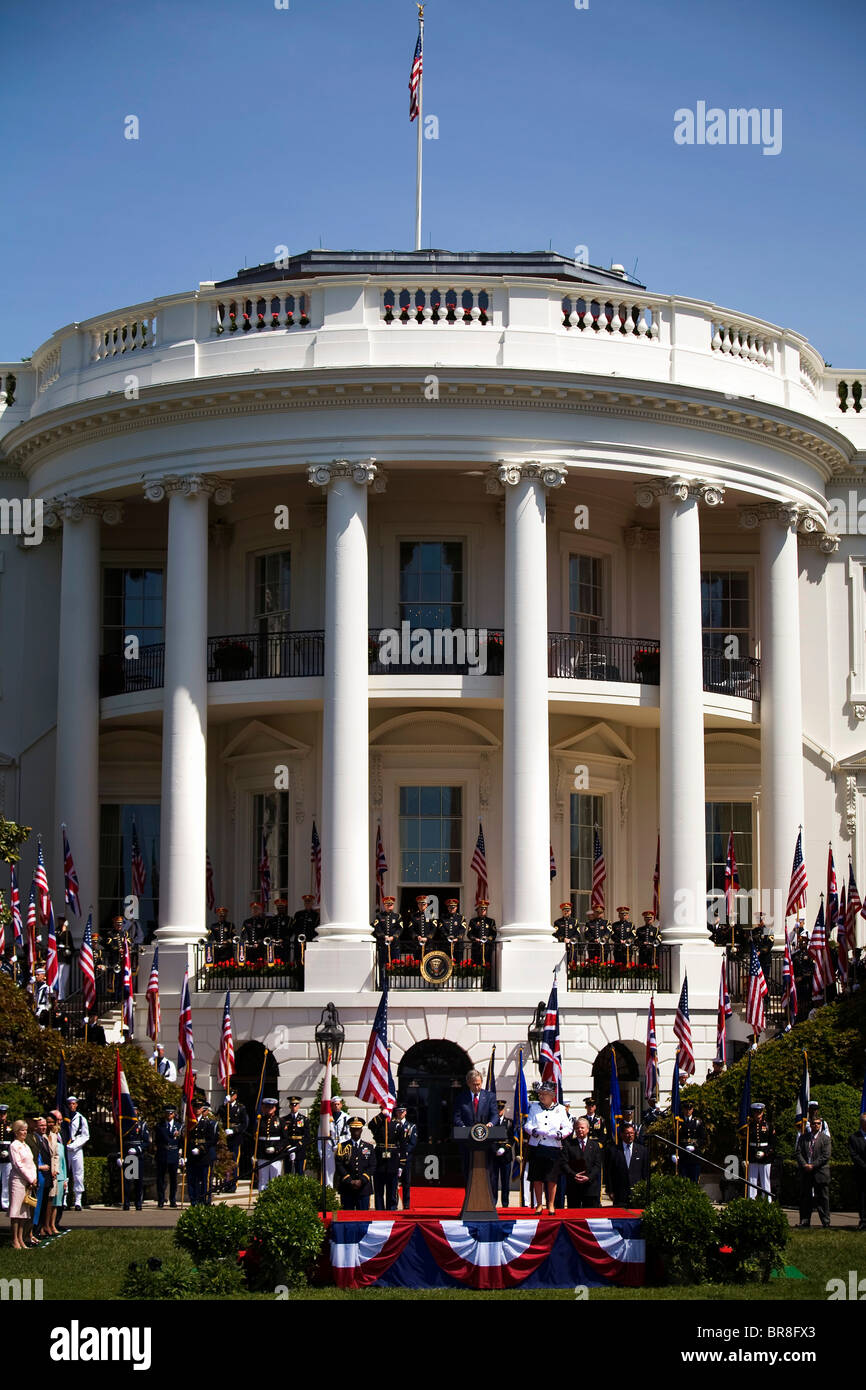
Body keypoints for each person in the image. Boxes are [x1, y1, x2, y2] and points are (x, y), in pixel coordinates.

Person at [524, 1081, 571, 1214]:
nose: (541, 1097)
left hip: (552, 1147)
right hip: (537, 1146)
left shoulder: (560, 1109)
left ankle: (551, 1204)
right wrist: (535, 1131)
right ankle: (539, 1204)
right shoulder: (534, 1107)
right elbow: (527, 1125)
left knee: (551, 1178)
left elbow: (568, 1127)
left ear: (552, 1096)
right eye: (540, 1094)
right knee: (537, 1178)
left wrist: (559, 1134)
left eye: (545, 1094)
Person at [796, 1111, 831, 1228]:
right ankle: (805, 1221)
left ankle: (825, 1222)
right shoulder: (803, 1138)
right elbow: (798, 1152)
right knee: (805, 1197)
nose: (816, 1125)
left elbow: (826, 1156)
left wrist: (813, 1165)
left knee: (822, 1198)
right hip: (806, 1172)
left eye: (818, 1124)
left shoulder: (825, 1139)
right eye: (814, 1123)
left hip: (820, 1172)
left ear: (820, 1125)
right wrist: (805, 1165)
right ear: (810, 1125)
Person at [334, 1118, 376, 1211]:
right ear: (350, 1130)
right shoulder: (342, 1146)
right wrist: (349, 1180)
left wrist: (362, 1180)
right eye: (353, 1129)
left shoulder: (369, 1147)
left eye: (358, 1129)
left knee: (363, 1218)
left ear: (361, 1130)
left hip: (363, 1188)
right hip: (347, 1187)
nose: (356, 1131)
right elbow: (339, 1164)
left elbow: (372, 1165)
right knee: (347, 1218)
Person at [561, 1116, 603, 1207]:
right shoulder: (569, 1145)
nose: (580, 1130)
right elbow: (564, 1163)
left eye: (582, 1128)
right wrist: (574, 1175)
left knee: (590, 1217)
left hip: (591, 1187)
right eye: (577, 1128)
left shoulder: (595, 1145)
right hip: (574, 1186)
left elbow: (597, 1165)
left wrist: (588, 1177)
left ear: (587, 1129)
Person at [8, 1120, 37, 1250]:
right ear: (16, 1132)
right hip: (18, 1181)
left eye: (25, 1130)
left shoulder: (25, 1145)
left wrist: (33, 1179)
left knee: (24, 1212)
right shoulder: (14, 1146)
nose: (24, 1132)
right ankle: (15, 1240)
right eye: (21, 1130)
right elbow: (18, 1165)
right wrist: (30, 1178)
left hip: (28, 1182)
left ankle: (21, 1238)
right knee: (16, 1211)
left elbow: (31, 1163)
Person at [607, 1122, 649, 1207]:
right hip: (620, 1192)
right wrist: (610, 1190)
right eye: (627, 1133)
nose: (630, 1135)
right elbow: (609, 1172)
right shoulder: (613, 1150)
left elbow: (645, 1172)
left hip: (637, 1192)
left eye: (632, 1133)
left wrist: (645, 1189)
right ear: (621, 1134)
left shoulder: (642, 1150)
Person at [186, 1100, 218, 1206]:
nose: (196, 1109)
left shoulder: (207, 1123)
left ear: (202, 1109)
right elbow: (186, 1140)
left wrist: (200, 1148)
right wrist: (183, 1155)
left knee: (204, 1180)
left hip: (203, 1155)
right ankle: (193, 1200)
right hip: (191, 1155)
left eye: (199, 1107)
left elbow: (212, 1140)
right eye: (195, 1107)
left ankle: (205, 1200)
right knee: (192, 1179)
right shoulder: (189, 1123)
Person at [368, 1104, 400, 1210]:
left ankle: (392, 1209)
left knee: (392, 1187)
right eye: (382, 1108)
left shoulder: (396, 1123)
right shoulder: (379, 1122)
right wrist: (382, 1115)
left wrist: (401, 1164)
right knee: (379, 1189)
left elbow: (402, 1144)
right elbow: (370, 1125)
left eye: (385, 1108)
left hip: (392, 1158)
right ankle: (379, 1210)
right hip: (379, 1158)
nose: (384, 1110)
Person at [121, 1106, 150, 1211]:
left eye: (135, 1110)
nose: (133, 1111)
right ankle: (127, 1203)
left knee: (138, 1182)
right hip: (128, 1155)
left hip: (137, 1155)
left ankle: (138, 1203)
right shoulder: (125, 1125)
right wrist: (120, 1155)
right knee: (128, 1181)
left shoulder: (141, 1125)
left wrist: (138, 1149)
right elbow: (121, 1141)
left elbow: (146, 1142)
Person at [746, 1102, 775, 1201]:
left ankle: (767, 1201)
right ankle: (751, 1200)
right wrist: (744, 1158)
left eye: (759, 1112)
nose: (758, 1114)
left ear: (762, 1112)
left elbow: (772, 1143)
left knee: (765, 1180)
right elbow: (745, 1143)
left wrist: (765, 1152)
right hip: (752, 1155)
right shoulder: (749, 1126)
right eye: (756, 1112)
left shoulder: (768, 1126)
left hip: (765, 1156)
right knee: (752, 1180)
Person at [223, 1086, 248, 1193]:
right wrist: (224, 1105)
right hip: (225, 1138)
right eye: (229, 1095)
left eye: (232, 1095)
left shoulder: (241, 1108)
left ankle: (233, 1184)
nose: (230, 1097)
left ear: (235, 1096)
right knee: (225, 1162)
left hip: (235, 1138)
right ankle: (225, 1183)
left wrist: (235, 1130)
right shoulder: (224, 1107)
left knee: (234, 1161)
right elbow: (219, 1118)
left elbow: (244, 1124)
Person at [155, 1105, 181, 1208]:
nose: (169, 1115)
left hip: (173, 1153)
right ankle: (161, 1199)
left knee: (173, 1179)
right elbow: (157, 1140)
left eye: (170, 1113)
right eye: (167, 1113)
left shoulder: (179, 1126)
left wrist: (182, 1154)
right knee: (160, 1178)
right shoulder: (160, 1126)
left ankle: (173, 1199)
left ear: (174, 1114)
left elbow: (181, 1141)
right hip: (162, 1153)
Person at [255, 1099, 284, 1191]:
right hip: (262, 1153)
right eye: (267, 1107)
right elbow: (255, 1138)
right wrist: (254, 1154)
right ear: (263, 1108)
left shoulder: (280, 1121)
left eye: (271, 1107)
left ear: (275, 1108)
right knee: (263, 1178)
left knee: (275, 1178)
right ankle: (262, 1199)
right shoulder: (259, 1121)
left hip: (276, 1154)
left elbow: (284, 1138)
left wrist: (277, 1148)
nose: (269, 1109)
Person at [66, 1096, 89, 1210]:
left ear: (77, 1105)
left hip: (76, 1149)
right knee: (64, 1174)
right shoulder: (63, 1118)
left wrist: (75, 1145)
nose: (72, 1106)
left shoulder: (81, 1119)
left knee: (78, 1174)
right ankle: (64, 1200)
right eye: (70, 1104)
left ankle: (78, 1201)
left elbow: (86, 1136)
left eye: (74, 1104)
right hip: (65, 1148)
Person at [31, 1115, 52, 1238]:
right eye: (41, 1126)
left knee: (44, 1203)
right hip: (39, 1175)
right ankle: (35, 1229)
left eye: (44, 1125)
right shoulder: (35, 1139)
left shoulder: (44, 1139)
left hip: (46, 1176)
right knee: (38, 1204)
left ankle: (40, 1228)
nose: (43, 1128)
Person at [393, 1104, 417, 1209]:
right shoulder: (393, 1125)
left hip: (406, 1158)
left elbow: (412, 1143)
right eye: (398, 1111)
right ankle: (393, 1204)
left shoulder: (411, 1126)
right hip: (394, 1157)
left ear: (405, 1112)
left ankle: (406, 1205)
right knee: (393, 1182)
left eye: (402, 1111)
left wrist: (404, 1152)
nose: (400, 1113)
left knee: (406, 1182)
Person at [324, 1095, 351, 1190]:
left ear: (341, 1105)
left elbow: (349, 1135)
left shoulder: (346, 1118)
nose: (336, 1106)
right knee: (329, 1171)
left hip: (342, 1147)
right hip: (329, 1147)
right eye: (334, 1104)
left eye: (338, 1104)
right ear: (331, 1106)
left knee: (343, 1169)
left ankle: (344, 1190)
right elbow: (322, 1134)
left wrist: (341, 1145)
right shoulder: (326, 1118)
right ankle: (329, 1191)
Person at [679, 1100, 706, 1185]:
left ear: (692, 1110)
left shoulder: (698, 1122)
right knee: (683, 1182)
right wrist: (674, 1153)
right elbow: (674, 1138)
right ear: (683, 1110)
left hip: (694, 1156)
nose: (688, 1111)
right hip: (682, 1155)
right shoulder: (678, 1122)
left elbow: (703, 1139)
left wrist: (695, 1146)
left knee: (694, 1181)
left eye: (689, 1109)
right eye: (686, 1109)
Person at [847, 1111, 866, 1231]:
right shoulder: (854, 1138)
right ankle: (863, 1221)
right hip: (862, 1173)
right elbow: (854, 1155)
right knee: (862, 1199)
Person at [372, 896, 402, 969]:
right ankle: (383, 980)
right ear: (384, 906)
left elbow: (400, 928)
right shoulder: (379, 916)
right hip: (383, 946)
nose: (389, 906)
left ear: (393, 905)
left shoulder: (397, 916)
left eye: (391, 905)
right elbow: (377, 928)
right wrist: (383, 936)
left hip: (394, 945)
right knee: (382, 966)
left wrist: (393, 937)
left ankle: (394, 980)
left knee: (395, 966)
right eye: (387, 905)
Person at [493, 1100, 514, 1206]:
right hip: (494, 1155)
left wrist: (504, 1149)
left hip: (506, 1155)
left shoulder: (509, 1122)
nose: (499, 1111)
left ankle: (505, 1203)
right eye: (497, 1109)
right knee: (494, 1181)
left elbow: (512, 1139)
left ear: (504, 1109)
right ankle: (493, 1202)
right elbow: (489, 1138)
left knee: (505, 1181)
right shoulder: (492, 1122)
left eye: (501, 1109)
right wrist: (494, 1149)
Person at [467, 899, 497, 967]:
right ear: (478, 910)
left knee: (487, 963)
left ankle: (487, 977)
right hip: (476, 947)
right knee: (476, 964)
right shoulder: (473, 921)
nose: (483, 911)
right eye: (481, 909)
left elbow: (494, 934)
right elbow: (469, 934)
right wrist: (475, 939)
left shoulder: (491, 921)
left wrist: (487, 938)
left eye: (484, 909)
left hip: (487, 947)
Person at [283, 1096, 307, 1175]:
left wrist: (297, 1146)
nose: (294, 1107)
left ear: (298, 1106)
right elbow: (284, 1135)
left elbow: (307, 1136)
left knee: (299, 1172)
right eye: (292, 1105)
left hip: (299, 1149)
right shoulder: (284, 1119)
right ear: (289, 1106)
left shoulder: (304, 1119)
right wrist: (289, 1147)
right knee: (288, 1172)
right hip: (288, 1148)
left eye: (296, 1105)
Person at [55, 917, 75, 1001]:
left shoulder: (68, 933)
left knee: (65, 977)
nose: (61, 922)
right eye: (60, 921)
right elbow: (58, 939)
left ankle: (63, 994)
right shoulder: (56, 931)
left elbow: (71, 945)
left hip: (65, 957)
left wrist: (69, 951)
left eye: (62, 921)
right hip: (59, 956)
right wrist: (63, 931)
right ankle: (60, 995)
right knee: (59, 976)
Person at [0, 1104, 12, 1212]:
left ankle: (5, 1203)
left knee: (6, 1180)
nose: (2, 1115)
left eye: (4, 1113)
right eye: (1, 1113)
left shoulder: (10, 1126)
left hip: (7, 1156)